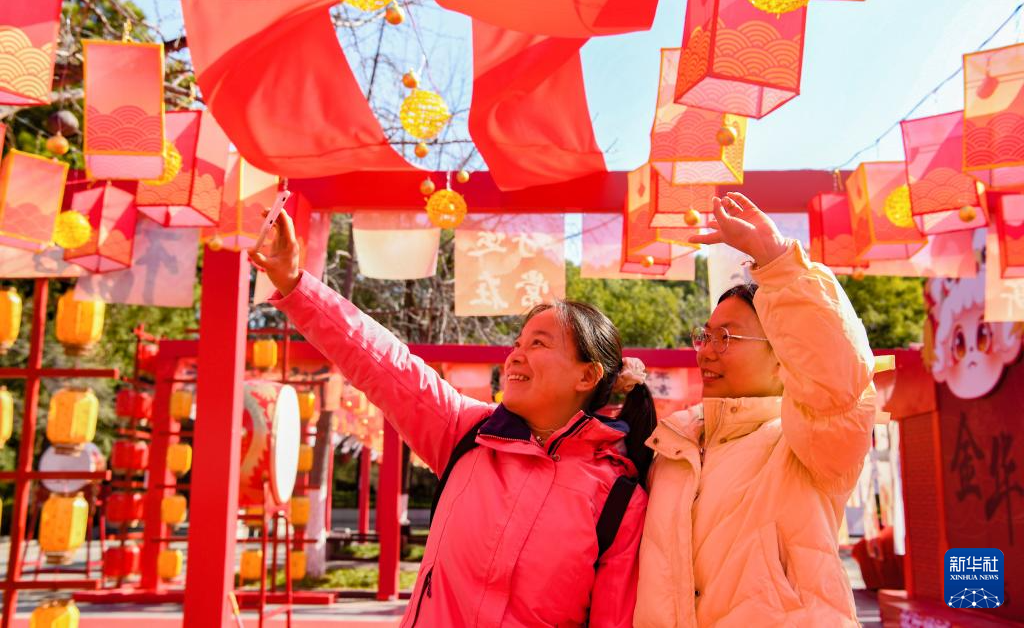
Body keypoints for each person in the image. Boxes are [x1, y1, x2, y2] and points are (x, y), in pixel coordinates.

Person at [250, 208, 656, 627]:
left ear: (586, 376)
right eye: (517, 343)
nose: (516, 355)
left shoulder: (619, 499)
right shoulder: (467, 433)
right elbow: (381, 361)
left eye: (539, 343)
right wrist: (296, 284)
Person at [635, 193, 877, 627]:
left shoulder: (808, 442)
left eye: (726, 338)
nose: (706, 352)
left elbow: (838, 378)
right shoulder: (672, 449)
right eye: (704, 336)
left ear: (784, 355)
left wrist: (780, 265)